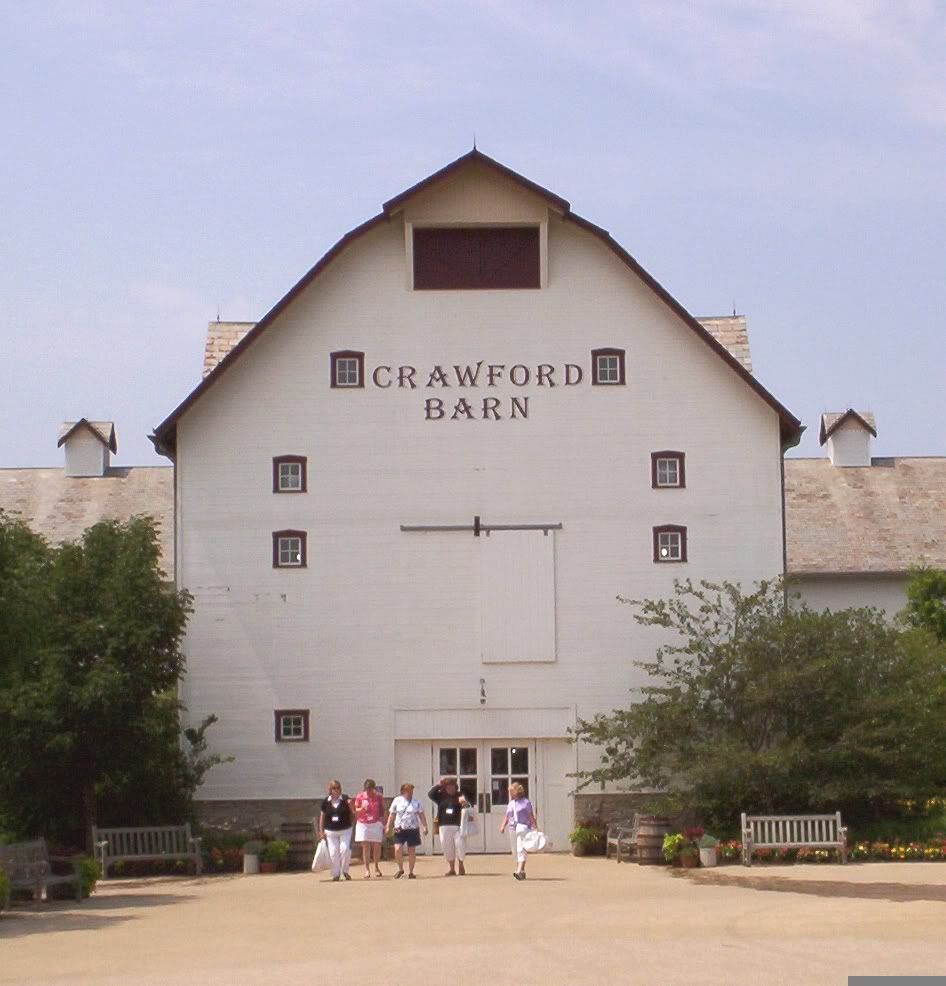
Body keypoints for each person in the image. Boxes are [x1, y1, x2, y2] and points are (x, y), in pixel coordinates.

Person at [428, 776, 470, 876]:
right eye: (447, 786)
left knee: (460, 845)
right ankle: (452, 869)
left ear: (455, 787)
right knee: (447, 846)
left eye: (452, 786)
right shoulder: (441, 796)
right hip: (444, 825)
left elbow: (467, 806)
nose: (450, 788)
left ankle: (461, 865)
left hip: (458, 825)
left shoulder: (460, 795)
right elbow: (430, 794)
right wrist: (439, 784)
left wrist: (464, 804)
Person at [386, 782, 428, 879]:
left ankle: (411, 872)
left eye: (411, 791)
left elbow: (421, 815)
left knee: (411, 850)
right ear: (403, 792)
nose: (410, 793)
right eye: (408, 791)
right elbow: (392, 814)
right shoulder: (397, 801)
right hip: (399, 828)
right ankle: (400, 869)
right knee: (397, 849)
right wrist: (388, 826)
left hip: (412, 829)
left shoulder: (416, 802)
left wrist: (425, 826)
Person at [499, 782, 537, 880]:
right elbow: (507, 816)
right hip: (513, 828)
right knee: (515, 850)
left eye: (512, 791)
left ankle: (520, 870)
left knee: (521, 848)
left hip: (523, 827)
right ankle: (520, 870)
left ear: (517, 791)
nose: (510, 793)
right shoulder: (511, 804)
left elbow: (530, 815)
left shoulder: (526, 803)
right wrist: (503, 826)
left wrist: (535, 827)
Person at [318, 779, 353, 881]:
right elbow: (322, 817)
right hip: (330, 831)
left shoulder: (345, 799)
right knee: (333, 852)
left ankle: (345, 870)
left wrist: (351, 805)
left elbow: (353, 812)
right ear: (330, 790)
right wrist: (321, 831)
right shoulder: (326, 802)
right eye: (333, 788)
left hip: (345, 829)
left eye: (337, 788)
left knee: (345, 849)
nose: (335, 790)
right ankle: (336, 873)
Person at [354, 778, 386, 878]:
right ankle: (367, 869)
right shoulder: (360, 796)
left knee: (377, 846)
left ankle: (376, 867)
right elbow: (355, 809)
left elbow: (383, 809)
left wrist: (383, 822)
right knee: (366, 846)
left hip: (375, 823)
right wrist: (361, 809)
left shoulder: (378, 797)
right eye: (367, 789)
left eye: (370, 789)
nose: (369, 791)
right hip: (363, 823)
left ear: (373, 788)